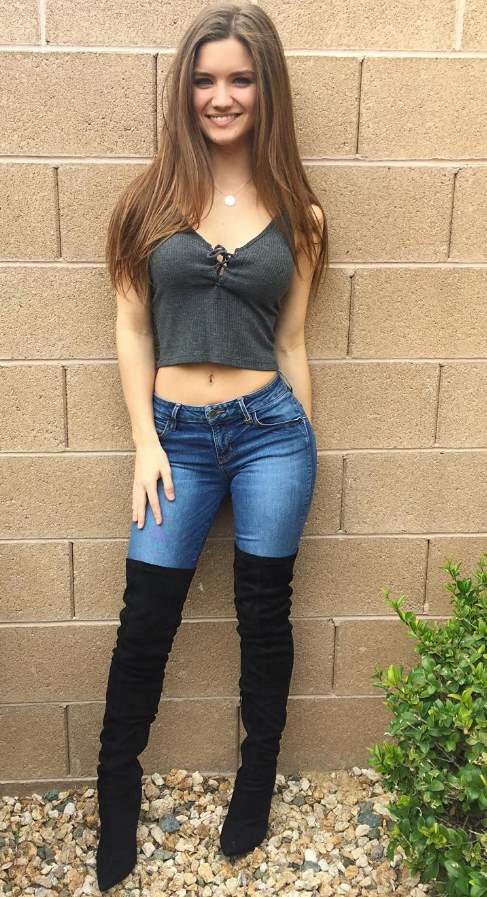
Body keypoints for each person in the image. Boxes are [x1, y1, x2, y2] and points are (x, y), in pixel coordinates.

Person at [95, 2, 328, 891]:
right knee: (144, 619)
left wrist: (303, 436)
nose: (219, 96)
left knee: (264, 616)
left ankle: (256, 781)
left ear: (265, 89)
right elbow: (131, 326)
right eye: (203, 79)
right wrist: (144, 440)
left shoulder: (300, 216)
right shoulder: (147, 203)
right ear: (184, 90)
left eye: (238, 78)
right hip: (177, 442)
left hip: (271, 435)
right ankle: (117, 791)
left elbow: (293, 340)